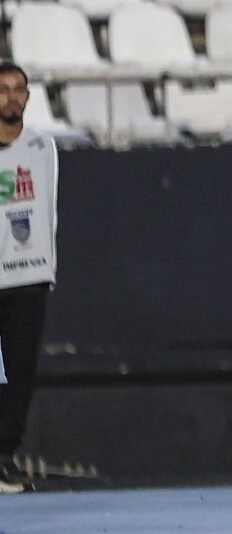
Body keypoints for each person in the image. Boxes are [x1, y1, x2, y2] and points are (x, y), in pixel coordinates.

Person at [0, 61, 59, 495]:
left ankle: (4, 458)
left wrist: (46, 268)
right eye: (3, 90)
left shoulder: (43, 147)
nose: (11, 97)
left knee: (19, 373)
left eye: (18, 89)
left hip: (30, 279)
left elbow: (48, 212)